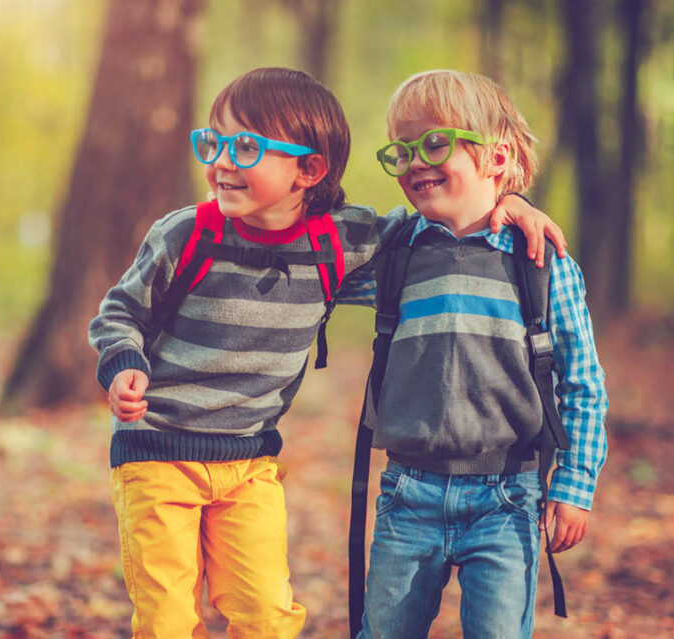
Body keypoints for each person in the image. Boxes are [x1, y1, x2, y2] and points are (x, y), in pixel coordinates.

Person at [88, 67, 564, 638]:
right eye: (213, 142)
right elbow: (119, 312)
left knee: (267, 618)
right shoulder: (184, 234)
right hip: (158, 451)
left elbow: (431, 230)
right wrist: (124, 363)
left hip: (248, 464)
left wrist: (509, 207)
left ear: (309, 169)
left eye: (244, 147)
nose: (221, 161)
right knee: (166, 618)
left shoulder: (339, 242)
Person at [338, 69, 609, 639]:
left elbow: (582, 381)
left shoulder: (541, 263)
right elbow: (315, 250)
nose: (414, 161)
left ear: (495, 157)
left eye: (434, 143)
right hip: (409, 492)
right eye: (401, 151)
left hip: (508, 496)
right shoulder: (395, 254)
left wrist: (574, 483)